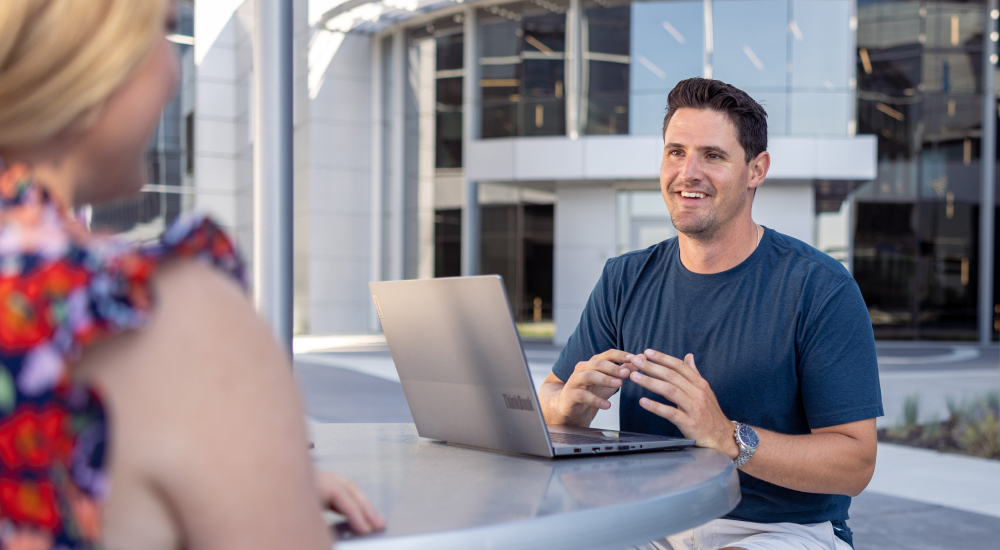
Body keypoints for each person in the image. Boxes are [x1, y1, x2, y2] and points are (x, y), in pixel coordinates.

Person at [0, 1, 383, 548]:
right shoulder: (157, 312)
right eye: (163, 31)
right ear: (89, 51)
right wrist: (264, 486)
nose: (173, 72)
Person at [538, 78, 882, 550]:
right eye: (675, 152)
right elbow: (550, 399)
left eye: (713, 156)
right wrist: (567, 407)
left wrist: (726, 436)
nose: (687, 173)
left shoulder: (819, 288)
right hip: (652, 522)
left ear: (756, 170)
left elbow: (856, 464)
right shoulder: (625, 278)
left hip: (779, 530)